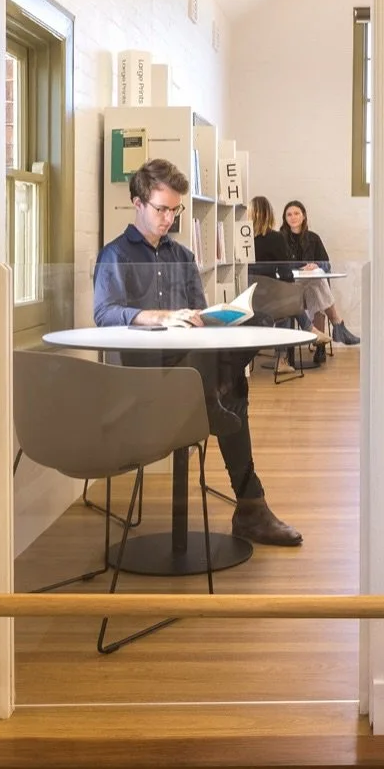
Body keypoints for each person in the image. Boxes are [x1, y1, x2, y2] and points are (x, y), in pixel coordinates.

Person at [93, 158, 302, 546]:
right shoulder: (116, 256)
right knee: (230, 389)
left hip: (190, 373)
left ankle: (216, 417)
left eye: (175, 210)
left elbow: (199, 312)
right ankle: (251, 507)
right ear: (137, 202)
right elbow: (104, 313)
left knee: (243, 348)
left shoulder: (182, 257)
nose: (169, 218)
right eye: (161, 209)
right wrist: (157, 316)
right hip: (143, 381)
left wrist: (213, 318)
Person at [248, 195, 326, 369]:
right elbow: (285, 273)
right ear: (270, 214)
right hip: (269, 300)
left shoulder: (241, 237)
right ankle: (283, 358)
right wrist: (291, 287)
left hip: (246, 298)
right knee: (287, 301)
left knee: (287, 299)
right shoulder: (276, 238)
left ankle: (309, 330)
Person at [279, 199, 360, 346]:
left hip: (309, 289)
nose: (293, 217)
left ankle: (322, 341)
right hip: (290, 289)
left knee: (315, 287)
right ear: (285, 218)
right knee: (317, 283)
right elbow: (280, 266)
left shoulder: (313, 238)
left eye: (297, 213)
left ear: (303, 216)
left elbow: (326, 265)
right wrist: (300, 269)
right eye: (289, 214)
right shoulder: (280, 238)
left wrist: (315, 265)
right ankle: (337, 324)